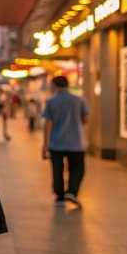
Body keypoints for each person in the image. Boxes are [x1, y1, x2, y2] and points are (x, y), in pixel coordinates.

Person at [42, 76, 90, 207]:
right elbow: (86, 119)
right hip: (76, 142)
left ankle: (60, 195)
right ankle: (72, 192)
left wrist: (45, 144)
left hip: (56, 141)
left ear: (55, 85)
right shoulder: (79, 100)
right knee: (78, 168)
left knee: (57, 169)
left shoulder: (51, 101)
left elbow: (48, 123)